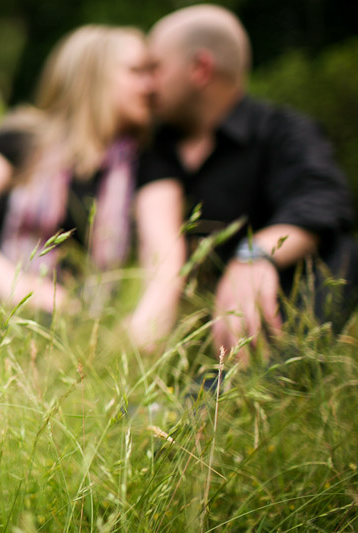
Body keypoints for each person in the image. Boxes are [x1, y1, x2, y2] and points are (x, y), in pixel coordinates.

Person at [133, 4, 358, 361]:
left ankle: (259, 383)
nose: (147, 84)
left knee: (344, 254)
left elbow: (323, 199)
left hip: (265, 309)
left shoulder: (281, 131)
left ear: (199, 68)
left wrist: (253, 256)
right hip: (179, 319)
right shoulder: (150, 148)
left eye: (155, 67)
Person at [0, 24, 179, 317]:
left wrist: (143, 327)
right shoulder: (16, 139)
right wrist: (18, 288)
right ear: (92, 76)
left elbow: (164, 255)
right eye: (137, 72)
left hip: (78, 318)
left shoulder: (148, 161)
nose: (150, 85)